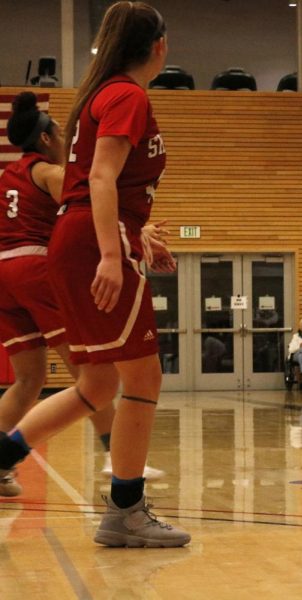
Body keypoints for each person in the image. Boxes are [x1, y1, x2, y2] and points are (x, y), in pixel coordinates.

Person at [0, 2, 190, 547]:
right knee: (144, 379)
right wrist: (113, 251)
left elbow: (96, 184)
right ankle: (126, 509)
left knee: (99, 382)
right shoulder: (127, 94)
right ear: (158, 46)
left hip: (75, 240)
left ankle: (2, 455)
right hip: (90, 243)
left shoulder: (100, 94)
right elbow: (102, 178)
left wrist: (133, 237)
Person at [0, 92, 165, 497]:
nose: (64, 139)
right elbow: (87, 203)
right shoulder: (47, 172)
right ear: (45, 139)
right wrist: (137, 231)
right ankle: (115, 453)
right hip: (34, 268)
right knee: (94, 376)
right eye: (60, 132)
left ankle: (2, 457)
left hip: (2, 274)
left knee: (29, 379)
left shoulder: (6, 178)